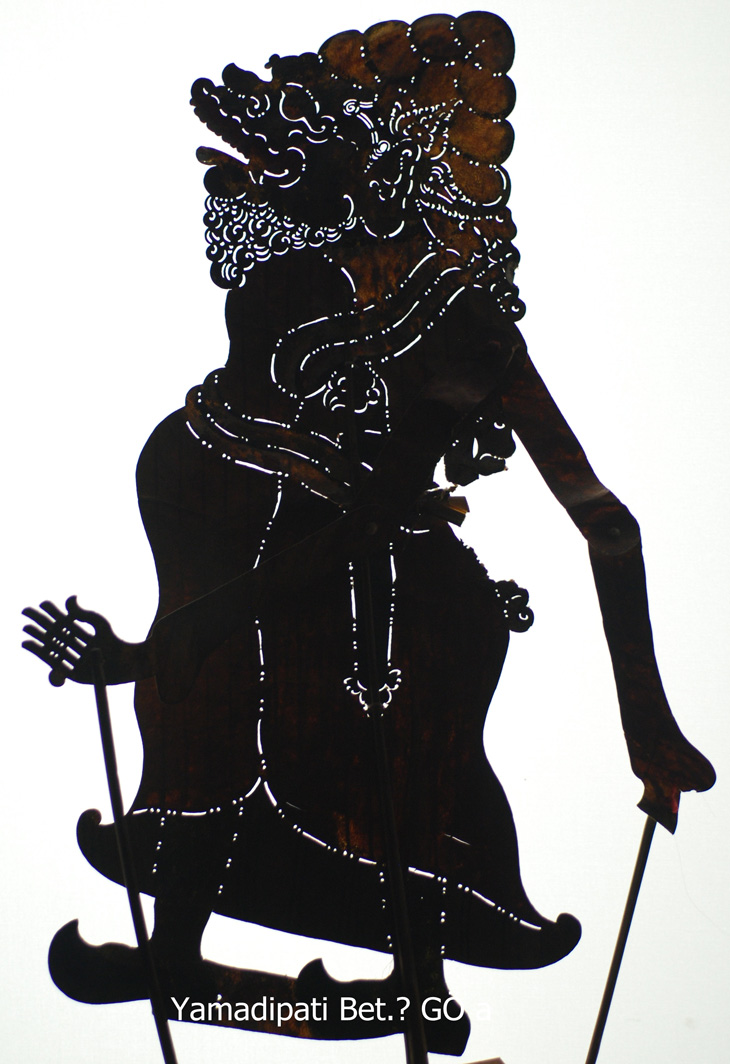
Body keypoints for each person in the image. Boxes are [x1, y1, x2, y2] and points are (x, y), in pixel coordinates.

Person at [22, 12, 714, 1048]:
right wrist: (157, 649)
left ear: (381, 173)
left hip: (379, 609)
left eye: (310, 159)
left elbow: (590, 523)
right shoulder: (286, 289)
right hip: (250, 595)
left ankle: (414, 973)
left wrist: (644, 721)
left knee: (369, 751)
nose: (265, 188)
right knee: (217, 721)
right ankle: (180, 946)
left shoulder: (455, 327)